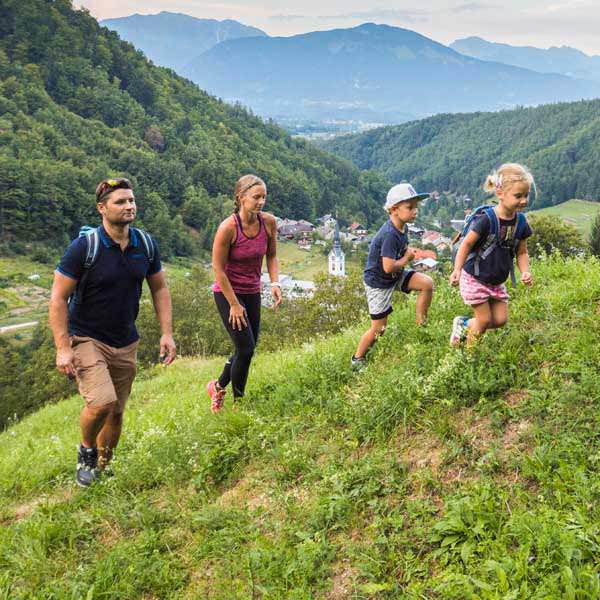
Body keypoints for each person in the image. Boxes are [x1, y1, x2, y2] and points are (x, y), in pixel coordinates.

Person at [49, 177, 176, 487]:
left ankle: (102, 470)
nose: (129, 205)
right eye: (120, 201)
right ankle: (86, 451)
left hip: (125, 340)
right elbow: (57, 298)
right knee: (102, 402)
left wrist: (166, 333)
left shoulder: (144, 244)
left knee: (116, 412)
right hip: (86, 337)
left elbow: (159, 288)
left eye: (131, 200)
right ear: (102, 208)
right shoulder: (84, 248)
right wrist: (63, 348)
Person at [206, 174, 281, 412]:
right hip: (228, 292)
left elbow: (271, 255)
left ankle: (217, 385)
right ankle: (239, 404)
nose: (261, 202)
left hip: (252, 290)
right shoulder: (228, 228)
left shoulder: (268, 222)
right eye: (256, 197)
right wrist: (234, 304)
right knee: (246, 348)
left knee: (246, 347)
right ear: (241, 197)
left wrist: (275, 283)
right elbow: (218, 269)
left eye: (264, 197)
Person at [351, 183, 434, 371]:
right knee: (379, 329)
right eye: (410, 207)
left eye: (416, 207)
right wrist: (407, 257)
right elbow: (388, 267)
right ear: (394, 210)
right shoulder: (389, 234)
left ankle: (422, 326)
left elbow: (399, 253)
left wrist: (407, 252)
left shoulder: (402, 228)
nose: (415, 211)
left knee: (426, 284)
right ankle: (357, 359)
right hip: (379, 282)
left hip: (394, 275)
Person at [449, 163, 534, 346]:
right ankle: (469, 358)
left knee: (501, 320)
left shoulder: (520, 222)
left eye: (526, 195)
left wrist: (525, 271)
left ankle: (464, 324)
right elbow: (466, 245)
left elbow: (522, 252)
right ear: (500, 193)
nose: (524, 201)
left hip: (496, 281)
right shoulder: (486, 219)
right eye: (518, 196)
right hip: (475, 277)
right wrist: (457, 269)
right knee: (484, 320)